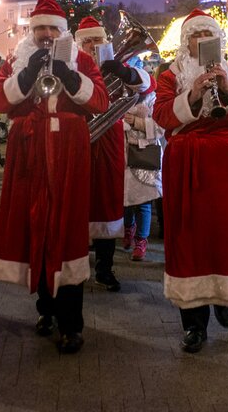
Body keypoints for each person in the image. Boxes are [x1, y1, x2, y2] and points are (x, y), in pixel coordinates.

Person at [0, 0, 108, 354]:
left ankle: (72, 324)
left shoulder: (82, 59)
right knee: (35, 225)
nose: (44, 34)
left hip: (69, 154)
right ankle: (45, 308)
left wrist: (70, 77)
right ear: (31, 31)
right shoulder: (16, 60)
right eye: (39, 27)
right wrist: (25, 75)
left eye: (51, 29)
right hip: (29, 155)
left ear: (62, 33)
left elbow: (100, 101)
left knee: (67, 232)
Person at [152, 8, 228, 353]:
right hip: (185, 164)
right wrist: (194, 95)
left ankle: (223, 297)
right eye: (195, 36)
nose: (201, 42)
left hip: (224, 165)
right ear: (186, 42)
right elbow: (162, 116)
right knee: (188, 239)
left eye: (206, 35)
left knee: (226, 235)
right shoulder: (169, 76)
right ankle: (194, 324)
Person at [75, 16, 151, 291]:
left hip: (108, 142)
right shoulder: (71, 66)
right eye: (87, 41)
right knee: (78, 202)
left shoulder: (119, 65)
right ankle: (77, 266)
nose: (93, 45)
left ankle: (105, 268)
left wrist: (125, 73)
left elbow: (147, 87)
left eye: (97, 39)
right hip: (77, 141)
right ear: (78, 44)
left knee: (108, 203)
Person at [122, 57, 164, 261]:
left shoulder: (154, 98)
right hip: (124, 153)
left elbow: (159, 128)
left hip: (145, 154)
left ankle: (142, 240)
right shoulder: (120, 96)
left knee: (144, 201)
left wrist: (136, 122)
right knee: (126, 199)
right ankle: (128, 229)